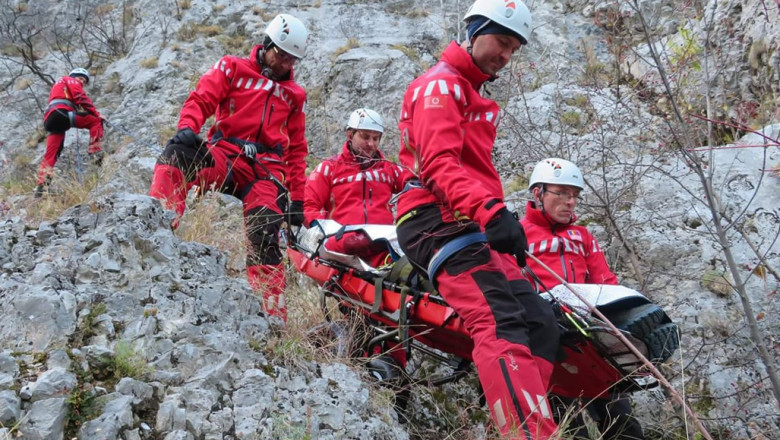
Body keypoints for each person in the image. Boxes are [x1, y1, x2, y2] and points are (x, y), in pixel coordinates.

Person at [393, 0, 560, 437]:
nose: (505, 55)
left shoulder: (471, 93)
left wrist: (495, 217)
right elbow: (438, 165)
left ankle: (515, 424)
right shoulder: (441, 87)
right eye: (501, 41)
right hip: (436, 219)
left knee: (541, 324)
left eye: (513, 49)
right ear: (473, 31)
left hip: (470, 220)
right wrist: (491, 211)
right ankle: (525, 432)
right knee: (499, 319)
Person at [148, 13, 309, 323]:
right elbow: (202, 99)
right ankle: (157, 231)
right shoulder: (232, 67)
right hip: (224, 153)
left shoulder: (295, 95)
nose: (286, 64)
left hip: (265, 171)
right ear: (267, 44)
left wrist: (298, 199)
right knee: (178, 155)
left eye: (292, 59)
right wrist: (187, 127)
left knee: (266, 232)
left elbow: (298, 150)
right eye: (282, 55)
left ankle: (272, 315)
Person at [521, 158, 644, 440]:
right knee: (570, 428)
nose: (571, 202)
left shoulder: (583, 236)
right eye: (562, 193)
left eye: (575, 195)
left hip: (589, 339)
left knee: (623, 423)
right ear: (538, 193)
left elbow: (605, 283)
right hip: (546, 340)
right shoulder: (517, 236)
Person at [304, 108, 403, 267]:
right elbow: (310, 206)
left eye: (376, 138)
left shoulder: (390, 169)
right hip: (342, 241)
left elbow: (414, 189)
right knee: (355, 242)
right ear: (350, 135)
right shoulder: (328, 168)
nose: (371, 144)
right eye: (364, 137)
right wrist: (318, 238)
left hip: (381, 242)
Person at [36, 67, 105, 197]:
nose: (82, 82)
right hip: (61, 113)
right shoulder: (69, 80)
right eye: (80, 78)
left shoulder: (59, 85)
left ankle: (41, 186)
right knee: (95, 121)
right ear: (73, 76)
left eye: (84, 81)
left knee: (52, 153)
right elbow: (80, 96)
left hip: (51, 119)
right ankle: (95, 153)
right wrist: (96, 113)